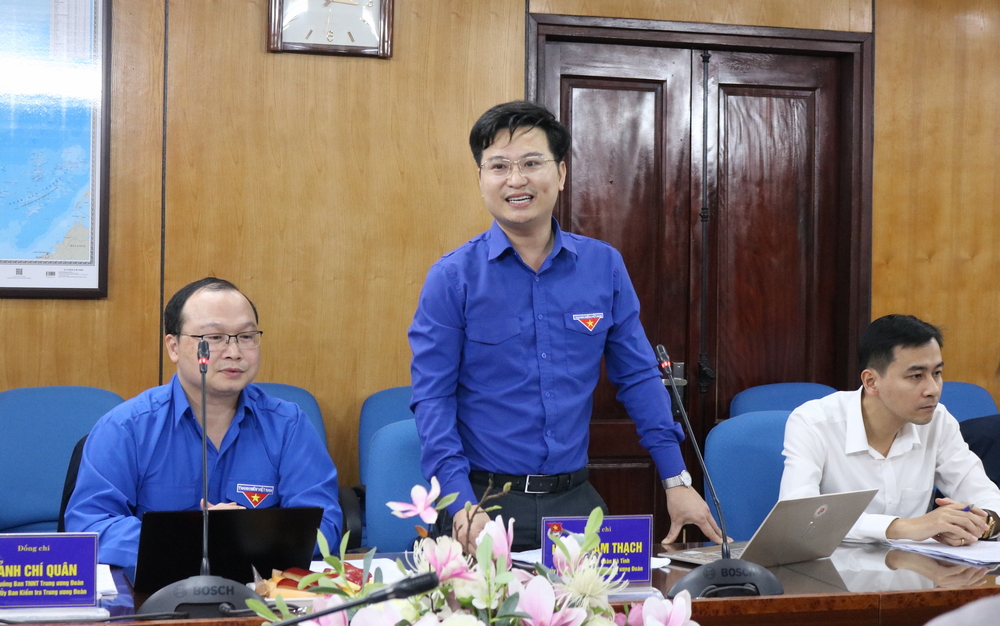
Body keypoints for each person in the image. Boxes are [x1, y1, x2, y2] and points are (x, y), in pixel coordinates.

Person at [408, 100, 723, 551]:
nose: (516, 179)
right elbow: (432, 399)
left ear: (560, 173)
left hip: (576, 502)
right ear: (480, 179)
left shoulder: (603, 265)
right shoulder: (452, 277)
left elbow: (638, 377)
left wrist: (677, 480)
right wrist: (460, 503)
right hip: (483, 504)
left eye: (531, 163)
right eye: (499, 166)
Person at [65, 277, 342, 567]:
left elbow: (325, 524)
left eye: (246, 337)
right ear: (173, 347)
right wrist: (193, 538)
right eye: (214, 337)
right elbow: (90, 527)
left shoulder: (288, 426)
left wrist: (245, 534)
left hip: (262, 587)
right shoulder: (126, 428)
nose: (234, 352)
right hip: (156, 588)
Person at [780, 313, 1000, 545]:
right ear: (871, 382)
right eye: (916, 376)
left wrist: (978, 524)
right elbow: (798, 516)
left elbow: (984, 494)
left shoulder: (938, 420)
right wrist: (905, 527)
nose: (933, 389)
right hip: (834, 562)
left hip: (913, 564)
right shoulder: (813, 422)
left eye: (936, 373)